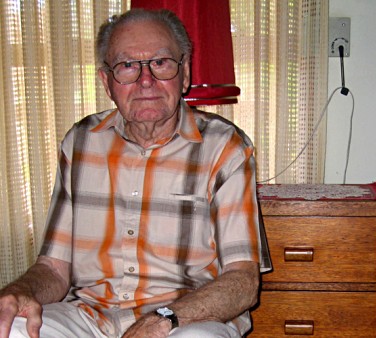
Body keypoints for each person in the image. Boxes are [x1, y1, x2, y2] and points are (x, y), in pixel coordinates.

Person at [0, 8, 271, 338]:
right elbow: (54, 268)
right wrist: (20, 291)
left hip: (185, 320)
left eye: (160, 63)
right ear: (107, 82)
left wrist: (162, 319)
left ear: (183, 72)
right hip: (89, 317)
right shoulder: (80, 142)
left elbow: (243, 281)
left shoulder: (224, 146)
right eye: (127, 66)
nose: (146, 80)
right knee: (12, 326)